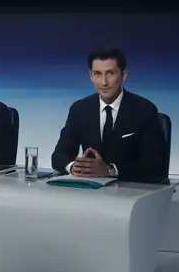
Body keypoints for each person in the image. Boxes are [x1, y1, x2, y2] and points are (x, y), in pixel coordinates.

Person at [50, 44, 167, 182]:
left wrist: (110, 170)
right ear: (91, 76)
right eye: (97, 74)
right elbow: (59, 156)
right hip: (90, 189)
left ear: (123, 75)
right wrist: (73, 167)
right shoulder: (79, 109)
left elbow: (155, 165)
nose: (104, 82)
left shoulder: (144, 110)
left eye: (110, 73)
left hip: (131, 189)